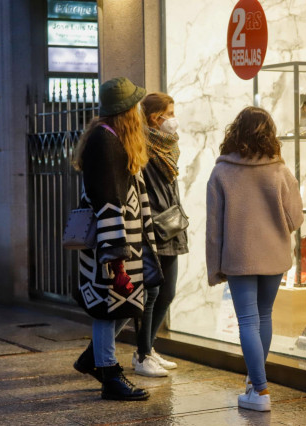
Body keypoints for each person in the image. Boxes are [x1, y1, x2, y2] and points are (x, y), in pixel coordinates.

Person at [206, 106, 304, 412]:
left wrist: (215, 267)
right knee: (264, 316)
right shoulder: (280, 172)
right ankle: (254, 382)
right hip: (274, 256)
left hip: (238, 258)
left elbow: (214, 228)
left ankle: (260, 390)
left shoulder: (221, 172)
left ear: (235, 133)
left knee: (247, 320)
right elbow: (296, 218)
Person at [71, 77, 162, 401]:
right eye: (135, 106)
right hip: (113, 245)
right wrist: (116, 258)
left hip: (123, 244)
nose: (139, 110)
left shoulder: (110, 138)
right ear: (125, 111)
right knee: (108, 307)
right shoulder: (105, 141)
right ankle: (109, 373)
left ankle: (92, 357)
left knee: (126, 302)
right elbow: (108, 201)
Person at [130, 92, 189, 376]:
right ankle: (142, 355)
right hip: (154, 227)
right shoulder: (141, 146)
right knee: (150, 294)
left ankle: (149, 348)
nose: (173, 119)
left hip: (172, 224)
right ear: (156, 117)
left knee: (168, 293)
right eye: (170, 112)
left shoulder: (169, 146)